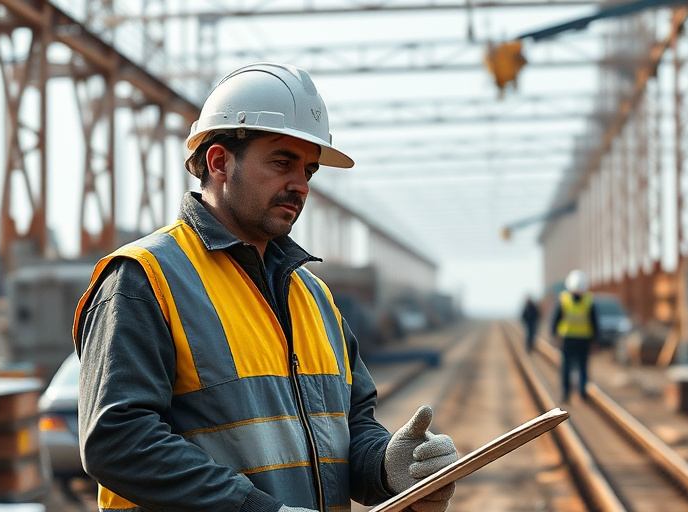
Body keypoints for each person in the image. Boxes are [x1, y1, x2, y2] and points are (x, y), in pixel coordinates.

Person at [72, 62, 458, 512]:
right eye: (282, 162)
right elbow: (118, 441)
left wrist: (388, 469)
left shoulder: (313, 297)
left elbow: (350, 425)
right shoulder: (144, 279)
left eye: (309, 171)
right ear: (219, 162)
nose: (300, 186)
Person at [550, 269, 599, 402]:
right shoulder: (589, 300)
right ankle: (582, 392)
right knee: (582, 367)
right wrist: (595, 339)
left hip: (567, 339)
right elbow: (594, 322)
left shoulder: (563, 300)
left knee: (566, 367)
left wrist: (553, 334)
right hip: (584, 339)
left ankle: (566, 394)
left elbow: (555, 319)